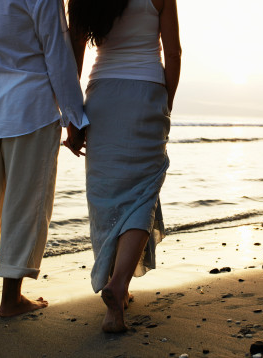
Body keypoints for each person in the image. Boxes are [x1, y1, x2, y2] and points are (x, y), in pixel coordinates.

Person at [0, 0, 88, 317]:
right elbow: (57, 50)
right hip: (31, 106)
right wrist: (74, 117)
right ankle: (11, 298)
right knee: (26, 203)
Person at [65, 0, 181, 332]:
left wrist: (73, 117)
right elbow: (173, 55)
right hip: (147, 90)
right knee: (142, 194)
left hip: (102, 95)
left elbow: (74, 54)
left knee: (108, 196)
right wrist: (165, 102)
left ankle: (118, 290)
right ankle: (118, 286)